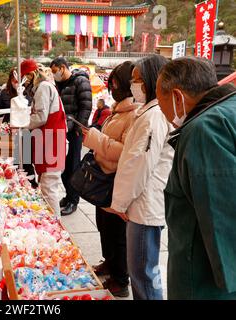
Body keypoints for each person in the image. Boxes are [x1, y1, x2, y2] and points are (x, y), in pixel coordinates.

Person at [156, 57, 236, 300]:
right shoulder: (229, 108)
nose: (168, 119)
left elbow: (221, 216)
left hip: (205, 279)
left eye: (163, 107)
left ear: (178, 97)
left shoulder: (204, 130)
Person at [102, 54, 173, 300]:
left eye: (137, 79)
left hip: (144, 206)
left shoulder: (153, 116)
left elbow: (137, 164)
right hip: (141, 203)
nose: (133, 85)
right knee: (142, 272)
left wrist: (120, 203)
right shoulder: (149, 111)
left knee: (142, 273)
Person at [82, 61, 139, 297]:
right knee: (104, 226)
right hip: (103, 177)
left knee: (118, 233)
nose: (111, 87)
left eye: (115, 83)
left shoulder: (135, 114)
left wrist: (96, 139)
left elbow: (126, 150)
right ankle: (109, 263)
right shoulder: (117, 110)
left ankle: (121, 279)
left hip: (116, 179)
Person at [21, 59, 67, 217]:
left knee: (49, 188)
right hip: (48, 141)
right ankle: (52, 221)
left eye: (25, 77)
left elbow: (41, 116)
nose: (25, 81)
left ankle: (55, 224)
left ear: (31, 74)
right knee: (47, 185)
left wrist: (22, 124)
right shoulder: (43, 87)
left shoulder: (43, 87)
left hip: (52, 142)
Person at [50, 57, 92, 216]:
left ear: (62, 68)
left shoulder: (80, 81)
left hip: (74, 131)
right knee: (63, 166)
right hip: (62, 130)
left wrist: (78, 128)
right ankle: (68, 195)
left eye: (55, 71)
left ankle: (73, 200)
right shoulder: (59, 84)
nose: (54, 75)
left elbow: (86, 106)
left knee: (73, 166)